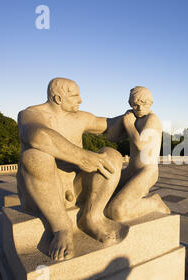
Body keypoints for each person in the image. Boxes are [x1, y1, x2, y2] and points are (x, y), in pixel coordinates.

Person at [17, 78, 124, 261]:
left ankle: (91, 216)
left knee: (112, 156)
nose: (80, 100)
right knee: (34, 157)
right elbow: (38, 136)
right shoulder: (30, 114)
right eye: (74, 96)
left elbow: (109, 125)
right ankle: (61, 228)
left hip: (75, 187)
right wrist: (82, 157)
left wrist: (133, 116)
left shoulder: (80, 117)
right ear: (58, 98)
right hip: (44, 193)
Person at [105, 86, 170, 222]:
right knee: (103, 192)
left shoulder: (152, 119)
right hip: (131, 170)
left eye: (144, 103)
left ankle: (154, 202)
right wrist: (123, 119)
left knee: (117, 211)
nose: (139, 108)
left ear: (151, 103)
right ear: (130, 104)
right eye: (135, 104)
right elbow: (112, 138)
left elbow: (141, 145)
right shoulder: (135, 119)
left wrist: (128, 124)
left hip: (146, 172)